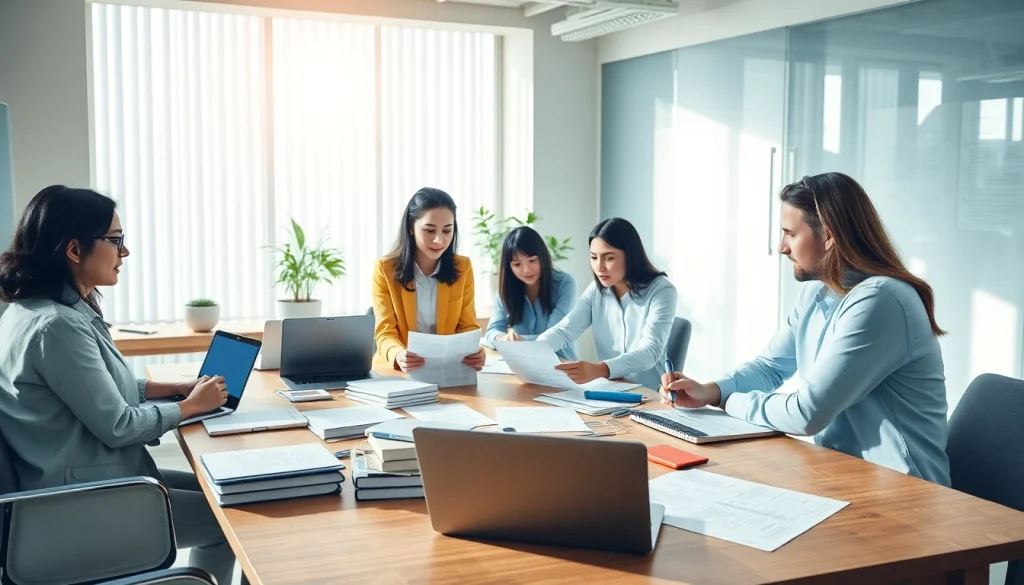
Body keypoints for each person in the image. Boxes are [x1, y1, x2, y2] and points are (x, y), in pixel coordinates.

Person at [0, 185, 240, 584]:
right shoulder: (58, 327)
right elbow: (118, 425)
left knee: (222, 492)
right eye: (115, 241)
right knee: (233, 520)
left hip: (76, 482)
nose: (124, 253)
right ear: (74, 250)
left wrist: (166, 388)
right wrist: (192, 406)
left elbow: (86, 391)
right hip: (83, 501)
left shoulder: (31, 310)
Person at [660, 172, 951, 486]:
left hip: (907, 491)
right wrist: (711, 390)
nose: (781, 247)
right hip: (844, 475)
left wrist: (725, 401)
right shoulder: (817, 292)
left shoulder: (880, 300)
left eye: (790, 233)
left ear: (828, 235)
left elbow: (807, 413)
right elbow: (770, 366)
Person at [527, 217, 677, 390]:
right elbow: (564, 330)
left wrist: (600, 369)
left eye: (609, 258)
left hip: (652, 394)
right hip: (611, 389)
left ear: (630, 255)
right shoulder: (597, 290)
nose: (600, 267)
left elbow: (650, 352)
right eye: (594, 257)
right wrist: (535, 352)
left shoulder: (662, 291)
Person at [371, 187, 486, 373]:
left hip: (447, 370)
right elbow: (385, 332)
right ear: (411, 227)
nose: (439, 240)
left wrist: (475, 351)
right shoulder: (385, 269)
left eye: (447, 230)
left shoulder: (462, 268)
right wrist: (398, 354)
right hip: (399, 371)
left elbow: (467, 326)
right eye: (429, 230)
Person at [485, 226, 578, 360]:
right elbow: (491, 331)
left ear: (542, 257)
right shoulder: (507, 290)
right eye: (517, 264)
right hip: (524, 365)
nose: (526, 270)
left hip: (561, 363)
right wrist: (502, 338)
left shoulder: (565, 284)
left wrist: (520, 341)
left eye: (532, 260)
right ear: (509, 267)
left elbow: (554, 335)